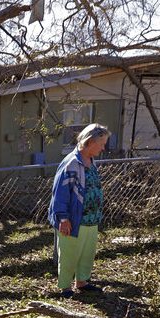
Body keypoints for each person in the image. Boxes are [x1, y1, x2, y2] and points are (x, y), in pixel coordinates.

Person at [48, 123, 111, 297]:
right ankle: (65, 287)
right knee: (69, 253)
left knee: (87, 253)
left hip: (91, 218)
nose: (103, 147)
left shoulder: (91, 160)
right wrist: (62, 218)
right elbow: (60, 192)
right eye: (102, 143)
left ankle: (82, 282)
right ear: (90, 142)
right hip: (74, 219)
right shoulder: (71, 163)